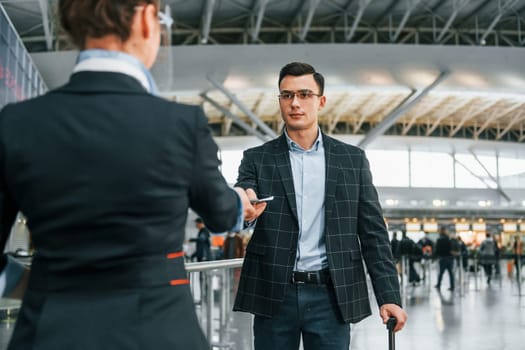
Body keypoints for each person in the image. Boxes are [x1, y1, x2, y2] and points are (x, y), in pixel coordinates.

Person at [0, 1, 262, 349]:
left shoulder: (18, 123)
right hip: (160, 332)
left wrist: (36, 285)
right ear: (144, 18)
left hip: (50, 331)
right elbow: (219, 214)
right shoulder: (181, 125)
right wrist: (240, 204)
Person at [233, 62, 407, 350]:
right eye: (286, 95)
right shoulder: (257, 158)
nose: (295, 103)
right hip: (274, 293)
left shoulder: (351, 160)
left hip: (331, 294)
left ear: (321, 101)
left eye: (304, 94)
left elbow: (373, 233)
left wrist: (389, 296)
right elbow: (243, 198)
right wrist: (244, 207)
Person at [434, 226, 455, 291]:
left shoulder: (439, 240)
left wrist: (434, 256)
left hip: (443, 258)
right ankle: (452, 286)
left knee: (441, 272)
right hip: (450, 258)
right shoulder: (449, 239)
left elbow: (437, 250)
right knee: (450, 273)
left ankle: (438, 284)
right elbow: (452, 249)